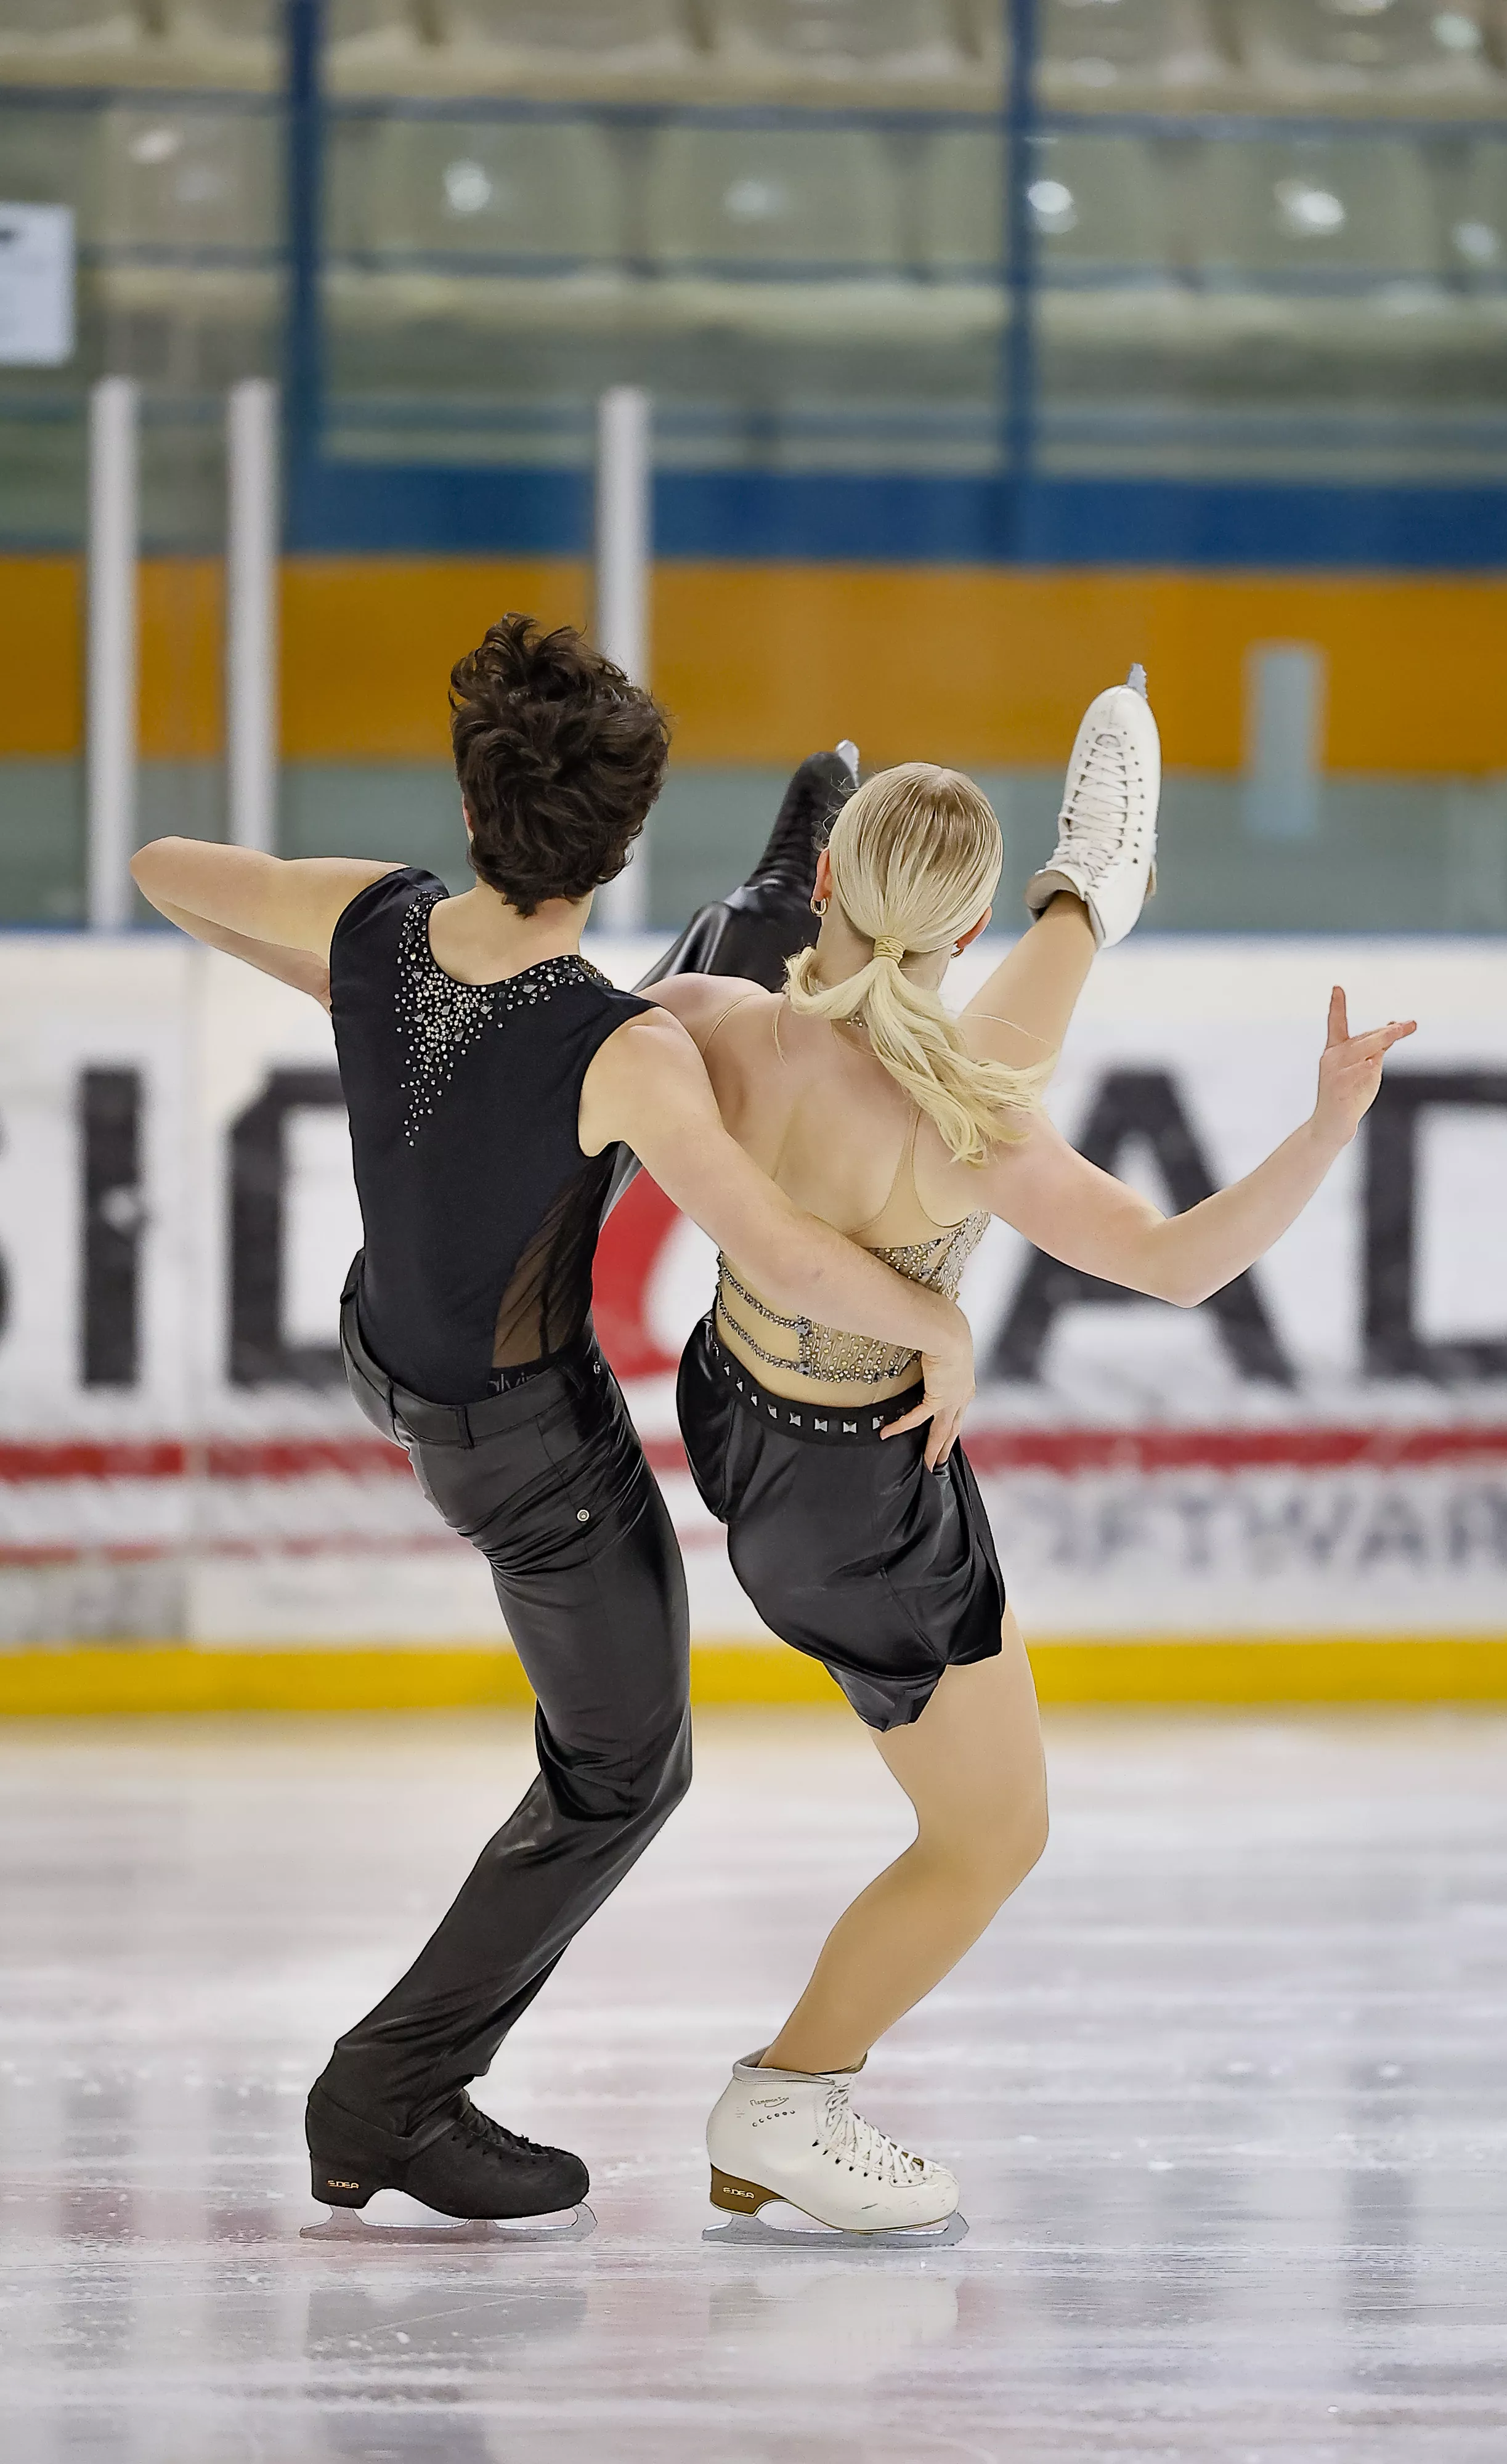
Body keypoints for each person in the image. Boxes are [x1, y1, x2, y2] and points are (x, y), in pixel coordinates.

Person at [128, 616, 979, 2227]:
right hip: (529, 1453)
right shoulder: (625, 1054)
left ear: (466, 806)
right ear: (622, 841)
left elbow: (164, 862)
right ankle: (390, 2092)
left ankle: (789, 877)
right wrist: (936, 1316)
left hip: (389, 1353)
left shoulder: (376, 919)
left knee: (663, 1021)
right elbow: (785, 1252)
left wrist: (339, 977)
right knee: (625, 1771)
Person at [649, 682, 1418, 2236]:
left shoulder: (704, 1021)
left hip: (734, 1417)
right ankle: (788, 2092)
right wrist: (1329, 1122)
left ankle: (1091, 887)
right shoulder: (978, 1130)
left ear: (816, 887)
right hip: (866, 1500)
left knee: (955, 1073)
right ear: (968, 918)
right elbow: (1185, 1260)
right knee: (995, 1832)